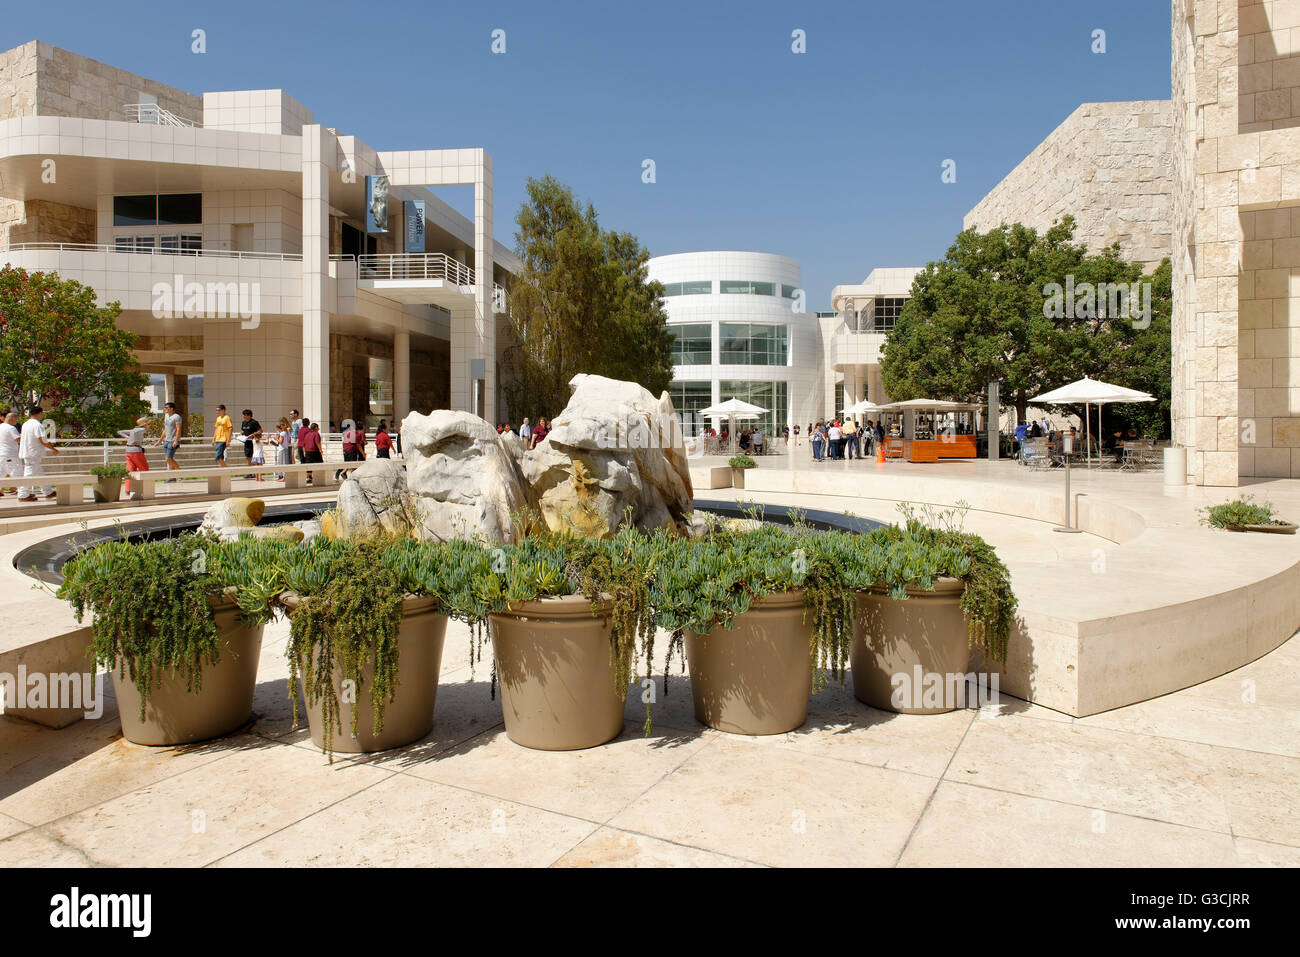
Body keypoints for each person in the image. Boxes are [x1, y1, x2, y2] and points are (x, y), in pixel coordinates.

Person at [17, 405, 59, 501]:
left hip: (28, 452)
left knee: (39, 473)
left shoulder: (26, 424)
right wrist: (54, 449)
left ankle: (48, 492)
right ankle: (22, 494)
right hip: (33, 453)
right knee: (28, 474)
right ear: (40, 413)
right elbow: (43, 440)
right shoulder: (37, 425)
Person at [119, 416, 150, 496]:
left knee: (130, 470)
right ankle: (146, 487)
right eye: (148, 424)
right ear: (145, 424)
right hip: (136, 451)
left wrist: (128, 438)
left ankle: (128, 489)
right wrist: (132, 439)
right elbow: (141, 430)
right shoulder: (141, 430)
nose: (149, 426)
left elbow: (120, 432)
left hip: (128, 451)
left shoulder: (133, 430)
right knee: (144, 468)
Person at [156, 401, 182, 475]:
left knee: (168, 458)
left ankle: (180, 474)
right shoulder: (166, 416)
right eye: (165, 407)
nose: (165, 409)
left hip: (173, 440)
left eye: (166, 408)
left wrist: (176, 441)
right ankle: (172, 476)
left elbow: (178, 429)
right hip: (166, 440)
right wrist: (159, 441)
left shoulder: (177, 417)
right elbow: (165, 429)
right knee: (168, 459)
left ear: (171, 408)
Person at [0, 409, 21, 497]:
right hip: (10, 455)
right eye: (15, 420)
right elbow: (18, 439)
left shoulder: (0, 426)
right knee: (17, 473)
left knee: (1, 473)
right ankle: (23, 494)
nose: (16, 422)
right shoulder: (11, 428)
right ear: (12, 419)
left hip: (1, 453)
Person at [298, 418, 322, 484]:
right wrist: (320, 450)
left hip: (305, 450)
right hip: (314, 451)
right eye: (318, 427)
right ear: (316, 428)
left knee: (308, 465)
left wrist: (304, 451)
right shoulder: (315, 433)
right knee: (320, 464)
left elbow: (303, 443)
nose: (318, 429)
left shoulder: (302, 431)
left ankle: (308, 477)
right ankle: (319, 478)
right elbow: (317, 442)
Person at [240, 409, 262, 477]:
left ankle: (255, 473)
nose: (243, 416)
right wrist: (241, 433)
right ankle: (250, 472)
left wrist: (253, 434)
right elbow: (242, 430)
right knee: (248, 457)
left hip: (254, 442)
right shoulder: (243, 422)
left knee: (254, 457)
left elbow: (260, 430)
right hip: (246, 442)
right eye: (243, 415)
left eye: (245, 415)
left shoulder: (254, 422)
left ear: (249, 415)